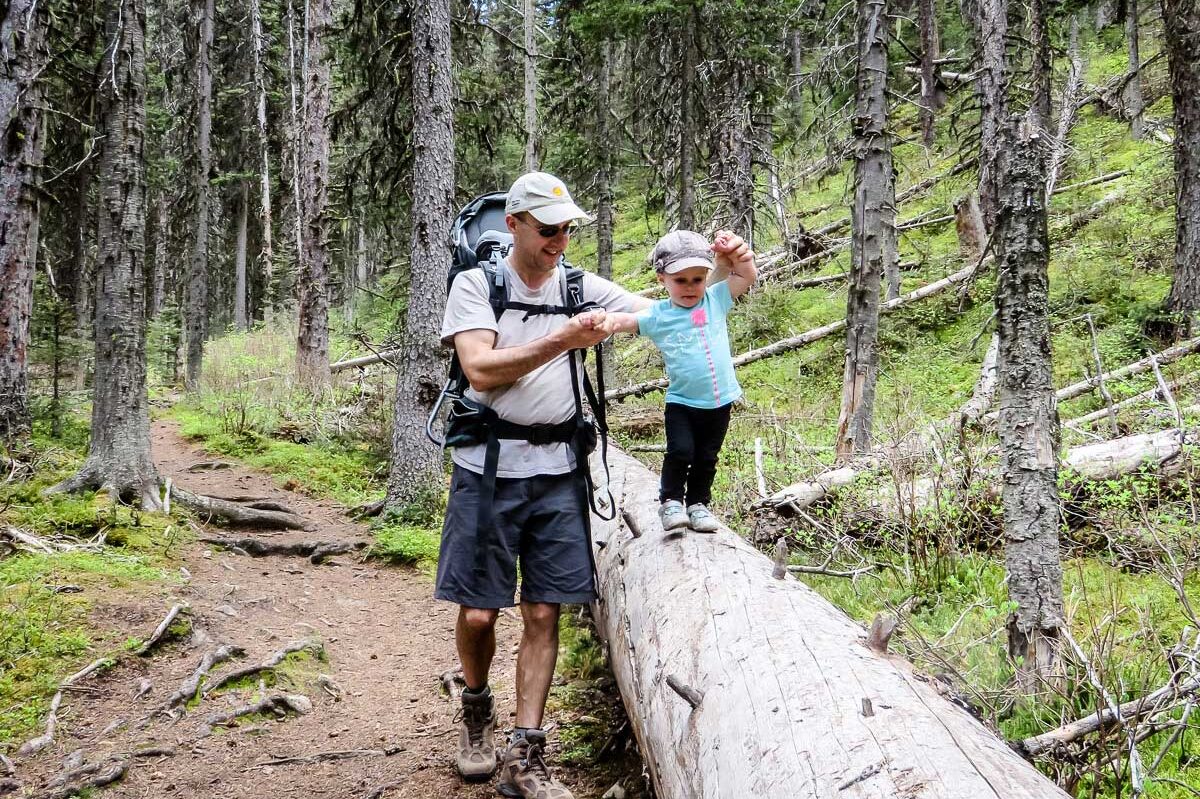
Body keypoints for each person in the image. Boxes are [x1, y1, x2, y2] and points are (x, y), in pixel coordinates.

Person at [437, 171, 650, 799]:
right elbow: (478, 370)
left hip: (559, 470)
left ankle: (525, 754)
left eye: (568, 229)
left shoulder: (582, 286)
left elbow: (665, 310)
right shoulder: (477, 285)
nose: (560, 240)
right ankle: (477, 707)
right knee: (478, 614)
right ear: (515, 225)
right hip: (488, 470)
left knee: (543, 608)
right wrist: (562, 338)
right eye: (549, 228)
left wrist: (721, 276)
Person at [596, 229, 756, 532]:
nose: (690, 287)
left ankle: (698, 504)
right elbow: (625, 321)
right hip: (682, 402)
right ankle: (670, 502)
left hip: (720, 401)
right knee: (681, 451)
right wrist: (603, 321)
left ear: (706, 277)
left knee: (707, 457)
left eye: (697, 279)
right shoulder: (659, 314)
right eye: (680, 280)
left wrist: (738, 254)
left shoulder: (715, 299)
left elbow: (746, 277)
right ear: (662, 280)